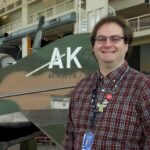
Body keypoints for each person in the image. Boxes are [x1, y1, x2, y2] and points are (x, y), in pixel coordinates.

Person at [63, 16, 150, 149]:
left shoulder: (143, 87)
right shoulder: (81, 87)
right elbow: (70, 136)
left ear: (126, 45)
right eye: (101, 39)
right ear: (93, 46)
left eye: (115, 38)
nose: (107, 44)